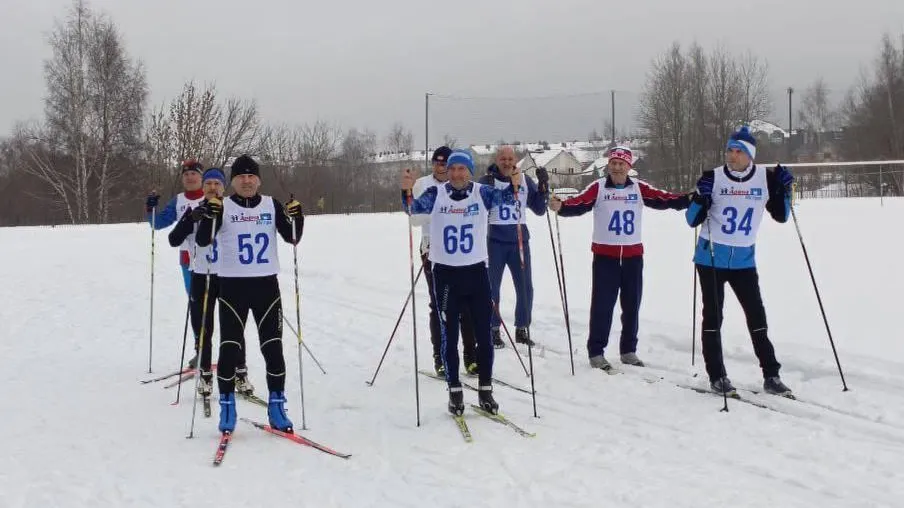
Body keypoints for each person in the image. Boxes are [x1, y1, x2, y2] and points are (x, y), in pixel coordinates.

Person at [549, 146, 690, 372]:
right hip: (606, 257)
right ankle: (596, 351)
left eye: (621, 164)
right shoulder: (598, 188)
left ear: (628, 167)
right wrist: (562, 207)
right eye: (613, 163)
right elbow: (580, 203)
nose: (617, 167)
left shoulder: (638, 188)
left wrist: (687, 200)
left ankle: (628, 350)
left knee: (632, 305)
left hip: (633, 257)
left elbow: (664, 199)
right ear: (609, 165)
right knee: (602, 306)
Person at [400, 150, 518, 416]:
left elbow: (507, 198)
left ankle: (486, 390)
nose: (456, 174)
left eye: (461, 169)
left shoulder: (481, 192)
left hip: (476, 272)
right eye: (452, 169)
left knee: (484, 337)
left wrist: (514, 180)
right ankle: (454, 390)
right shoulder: (436, 193)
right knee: (449, 335)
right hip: (445, 275)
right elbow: (412, 209)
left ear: (469, 171)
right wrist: (405, 191)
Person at [195, 154, 304, 433]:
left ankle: (277, 405)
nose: (246, 181)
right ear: (232, 182)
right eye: (241, 177)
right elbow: (202, 240)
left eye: (251, 176)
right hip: (232, 287)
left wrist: (297, 217)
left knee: (273, 348)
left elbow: (292, 236)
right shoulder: (224, 205)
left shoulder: (270, 204)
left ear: (258, 180)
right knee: (230, 348)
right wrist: (209, 216)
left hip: (266, 286)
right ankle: (228, 407)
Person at [685, 126, 794, 397]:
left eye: (739, 152)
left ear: (750, 156)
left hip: (744, 259)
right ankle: (717, 375)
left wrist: (784, 190)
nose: (732, 156)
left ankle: (771, 375)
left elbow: (781, 216)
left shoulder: (764, 179)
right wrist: (701, 197)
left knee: (757, 316)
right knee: (713, 316)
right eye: (729, 151)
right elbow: (691, 220)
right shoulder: (713, 177)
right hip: (711, 257)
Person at [410, 146, 479, 376]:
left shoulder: (466, 186)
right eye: (438, 163)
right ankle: (440, 357)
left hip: (463, 253)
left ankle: (470, 355)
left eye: (446, 163)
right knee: (440, 305)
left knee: (467, 305)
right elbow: (416, 219)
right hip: (433, 250)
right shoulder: (424, 185)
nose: (442, 167)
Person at [479, 146, 549, 348]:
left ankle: (522, 328)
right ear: (497, 160)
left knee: (525, 287)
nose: (507, 162)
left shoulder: (525, 180)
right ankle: (492, 329)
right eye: (503, 159)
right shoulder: (487, 182)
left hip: (519, 240)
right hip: (495, 241)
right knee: (492, 288)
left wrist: (543, 185)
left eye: (510, 159)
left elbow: (539, 208)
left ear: (515, 160)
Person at [167, 168, 227, 398]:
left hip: (228, 275)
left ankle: (239, 372)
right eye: (209, 183)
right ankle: (204, 373)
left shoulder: (231, 208)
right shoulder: (195, 208)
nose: (213, 187)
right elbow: (174, 240)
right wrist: (190, 219)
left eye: (217, 184)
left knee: (233, 326)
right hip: (201, 274)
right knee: (203, 326)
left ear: (224, 187)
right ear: (204, 186)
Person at [145, 160, 205, 296]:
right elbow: (157, 223)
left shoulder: (211, 197)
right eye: (186, 174)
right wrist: (150, 208)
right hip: (188, 257)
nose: (190, 177)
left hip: (213, 256)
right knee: (194, 300)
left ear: (201, 177)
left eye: (194, 173)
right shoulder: (178, 200)